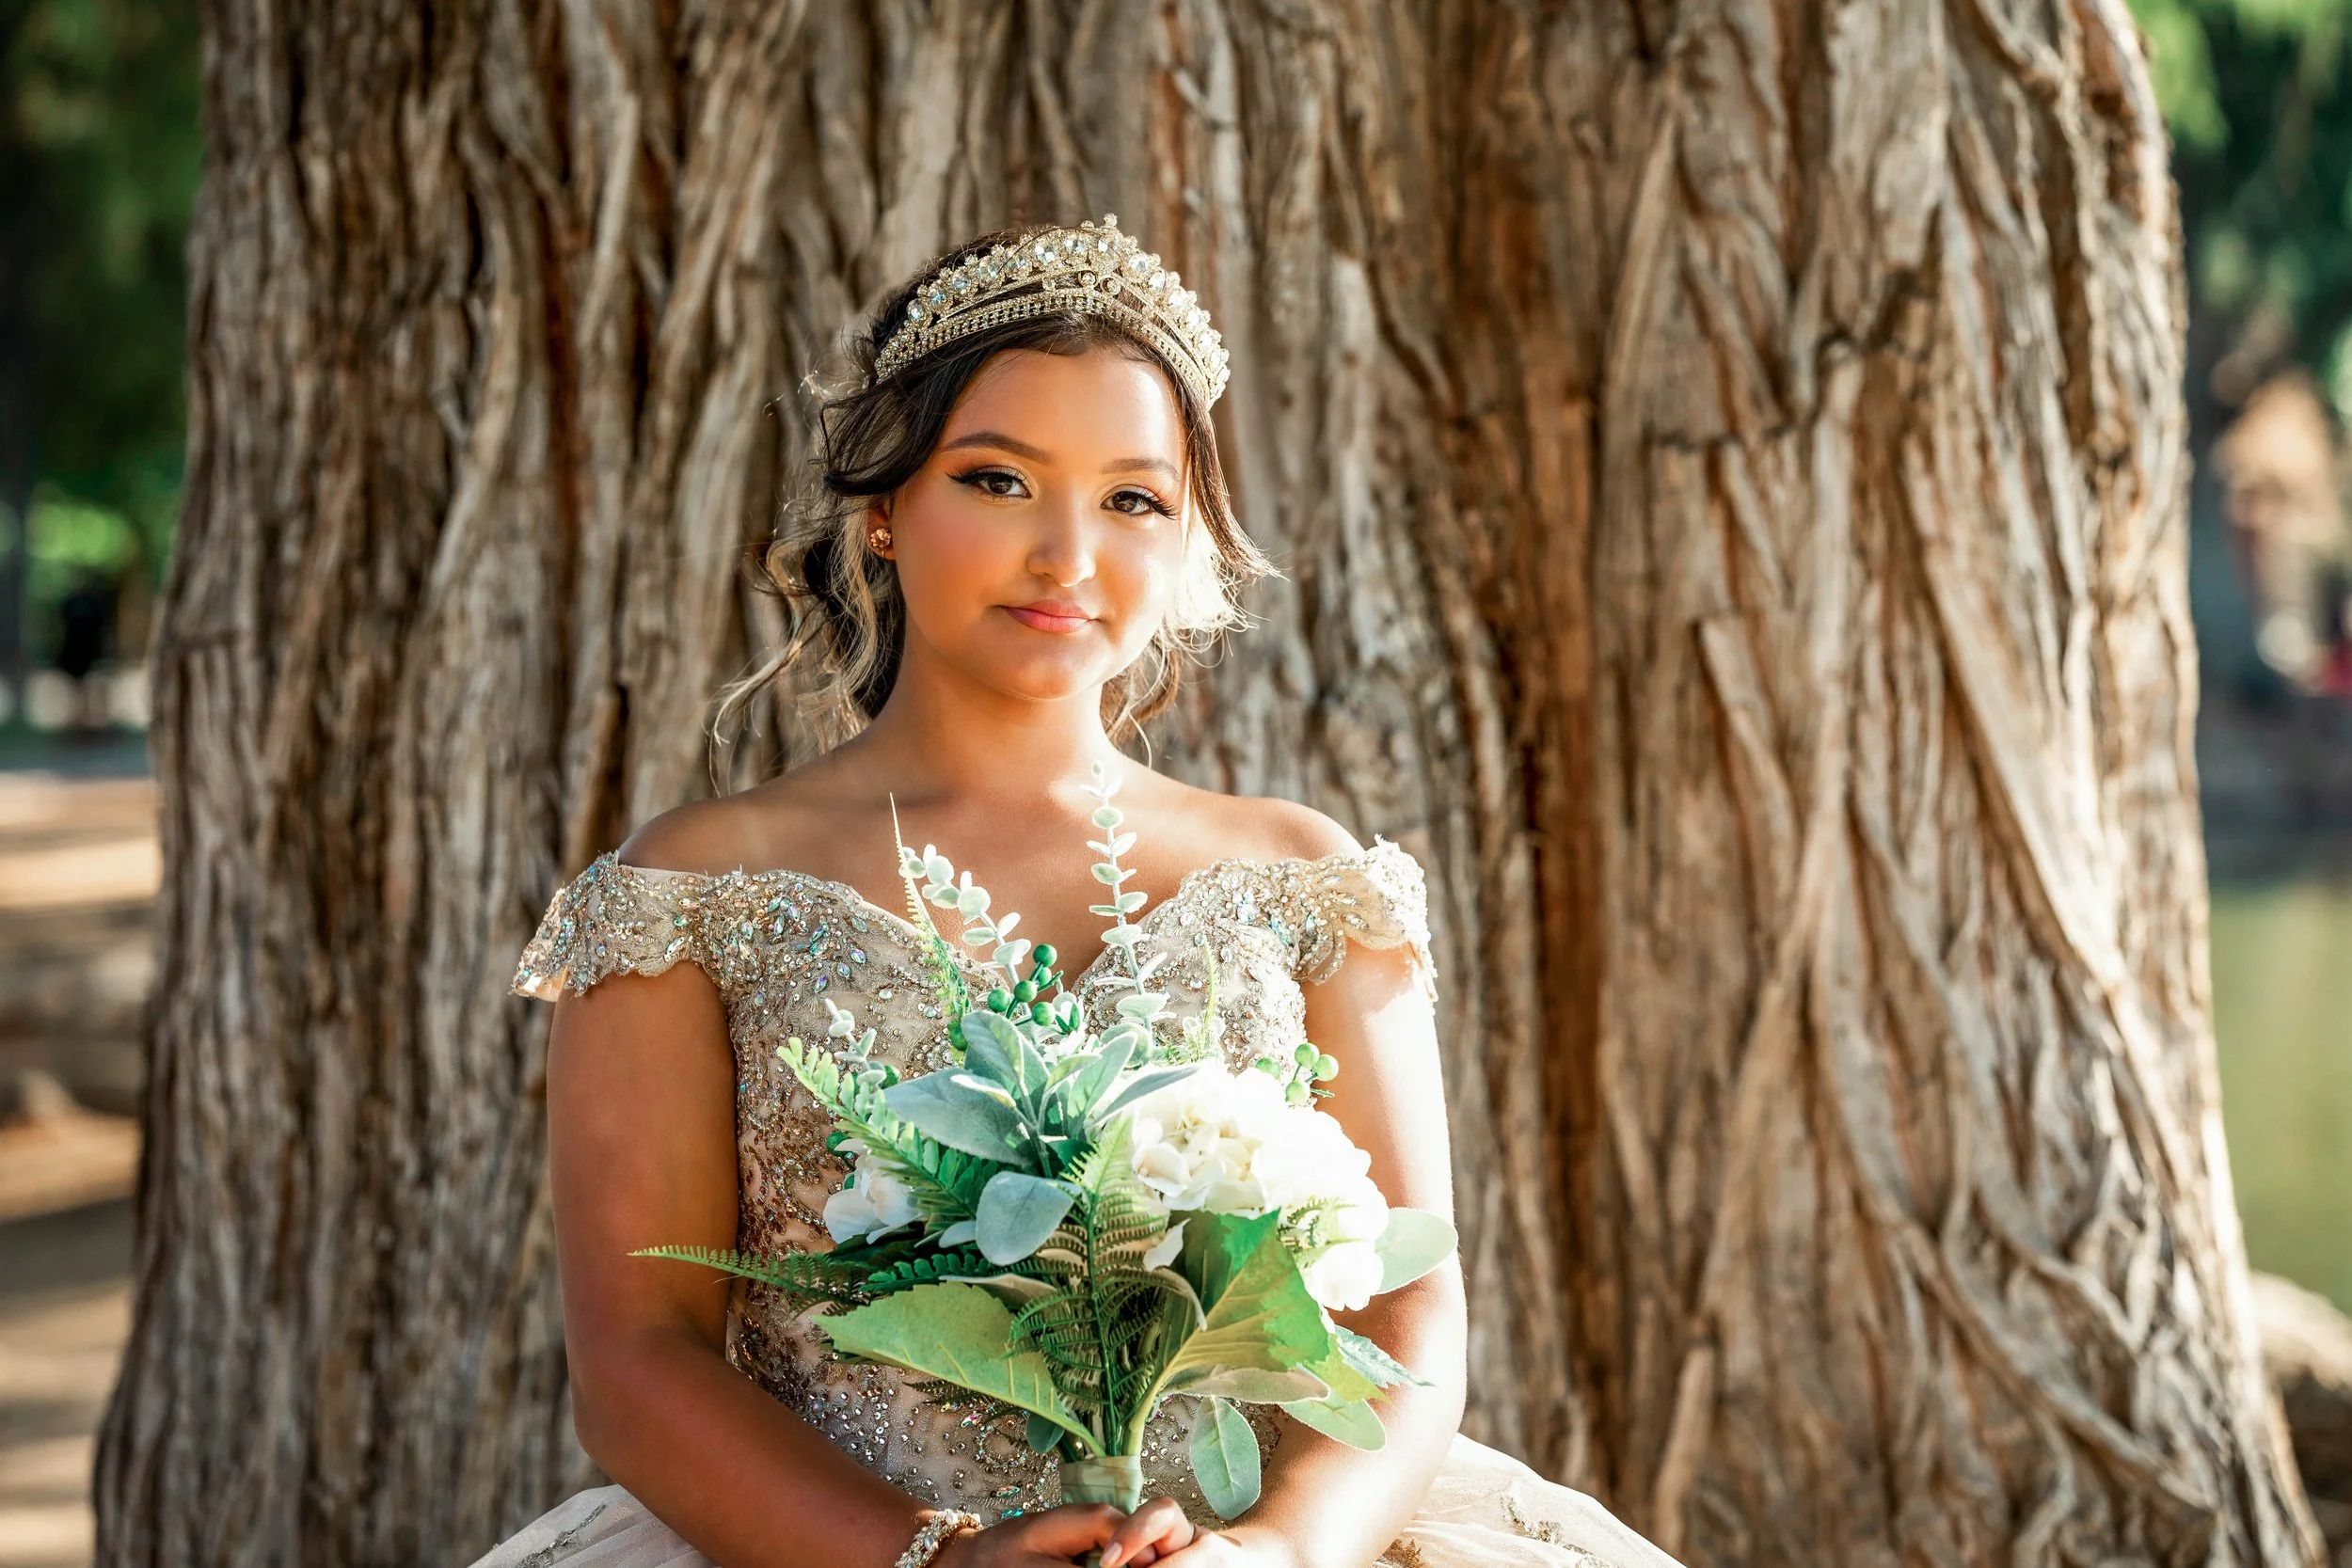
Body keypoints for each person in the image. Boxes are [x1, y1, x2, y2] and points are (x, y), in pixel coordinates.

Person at [469, 216, 1685, 1568]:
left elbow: (1409, 1317)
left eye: (1132, 498)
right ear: (881, 508)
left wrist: (1279, 1550)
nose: (1069, 555)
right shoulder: (691, 893)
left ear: (1188, 539)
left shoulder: (1305, 879)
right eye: (998, 481)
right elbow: (639, 1356)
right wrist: (932, 1559)